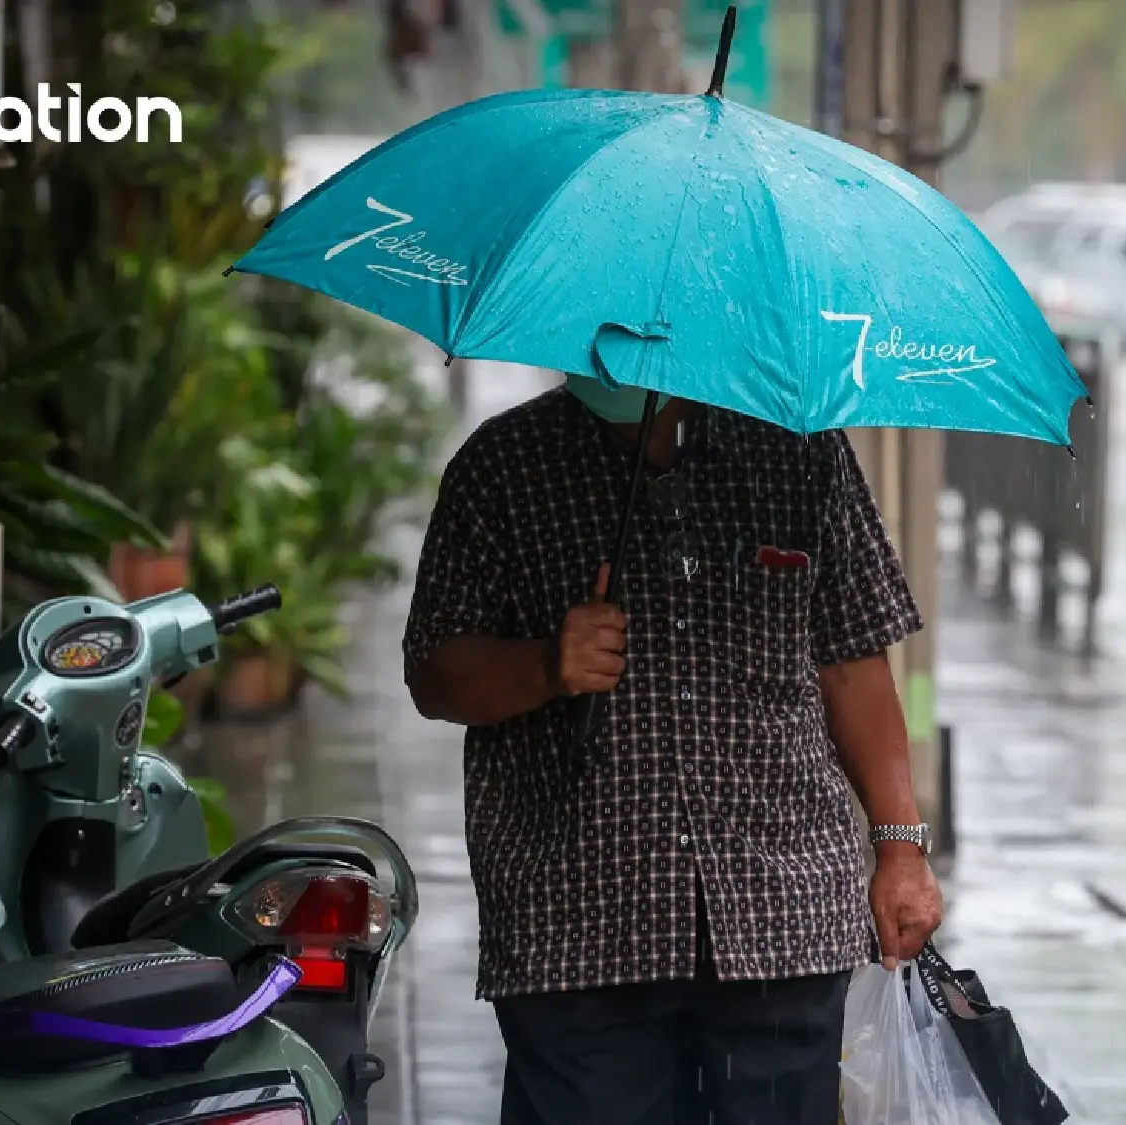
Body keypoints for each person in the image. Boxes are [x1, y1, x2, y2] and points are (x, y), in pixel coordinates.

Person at [403, 373, 943, 1125]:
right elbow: (433, 673)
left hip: (781, 916)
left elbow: (852, 662)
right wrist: (545, 665)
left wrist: (901, 848)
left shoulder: (802, 451)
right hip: (578, 927)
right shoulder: (500, 466)